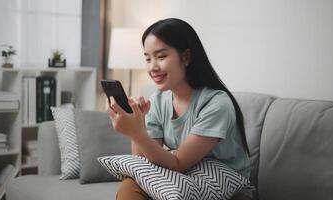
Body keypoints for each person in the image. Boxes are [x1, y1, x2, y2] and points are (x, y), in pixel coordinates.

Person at [105, 18, 252, 200]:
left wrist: (136, 133)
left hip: (228, 190)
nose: (152, 67)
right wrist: (139, 122)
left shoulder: (216, 103)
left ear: (186, 57)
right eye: (148, 58)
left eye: (161, 56)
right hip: (183, 180)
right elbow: (142, 161)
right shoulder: (158, 100)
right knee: (130, 184)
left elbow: (178, 163)